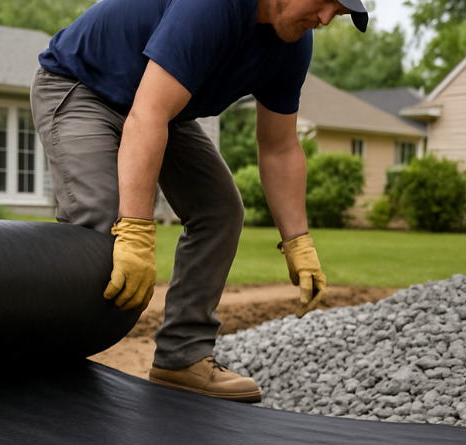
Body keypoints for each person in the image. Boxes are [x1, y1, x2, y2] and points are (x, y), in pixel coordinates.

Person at [31, 0, 367, 403]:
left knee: (220, 210)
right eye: (326, 2)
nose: (327, 19)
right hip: (84, 86)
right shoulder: (214, 6)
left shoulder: (292, 44)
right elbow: (147, 117)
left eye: (341, 13)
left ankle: (182, 356)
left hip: (160, 108)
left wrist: (299, 242)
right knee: (103, 229)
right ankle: (45, 362)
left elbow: (279, 147)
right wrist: (136, 231)